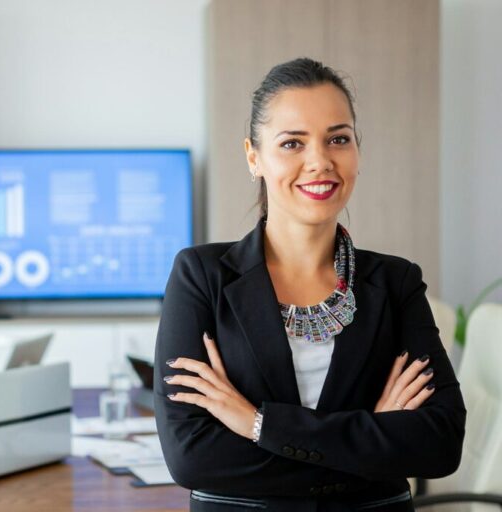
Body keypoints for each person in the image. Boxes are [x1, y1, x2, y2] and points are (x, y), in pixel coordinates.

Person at [154, 58, 466, 512]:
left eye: (338, 139)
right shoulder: (202, 276)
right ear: (253, 156)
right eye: (292, 143)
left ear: (357, 151)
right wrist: (369, 439)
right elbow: (191, 458)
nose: (319, 161)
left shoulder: (396, 283)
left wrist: (258, 424)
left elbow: (440, 443)